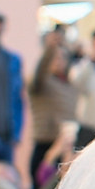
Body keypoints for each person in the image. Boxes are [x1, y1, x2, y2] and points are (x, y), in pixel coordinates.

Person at [27, 33, 77, 177]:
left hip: (65, 145)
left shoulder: (70, 85)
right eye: (55, 57)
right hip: (45, 143)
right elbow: (39, 73)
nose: (58, 61)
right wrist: (49, 49)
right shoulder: (41, 83)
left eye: (62, 57)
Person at [0, 13, 25, 170]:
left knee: (4, 184)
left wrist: (16, 133)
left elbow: (18, 100)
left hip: (5, 138)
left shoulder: (12, 60)